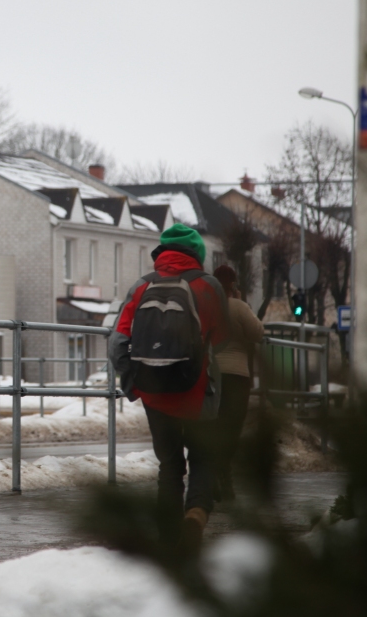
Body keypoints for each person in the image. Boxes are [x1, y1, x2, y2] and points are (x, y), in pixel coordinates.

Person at [109, 224, 228, 555]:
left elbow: (118, 341)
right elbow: (223, 337)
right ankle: (196, 515)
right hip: (198, 391)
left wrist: (133, 382)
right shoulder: (209, 286)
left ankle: (167, 539)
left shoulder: (141, 285)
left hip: (155, 392)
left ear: (162, 253)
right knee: (203, 458)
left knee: (170, 466)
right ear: (196, 255)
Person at [211, 264, 264, 502]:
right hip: (237, 376)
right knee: (232, 427)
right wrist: (244, 304)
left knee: (214, 424)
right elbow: (257, 333)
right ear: (234, 286)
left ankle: (213, 476)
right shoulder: (240, 307)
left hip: (211, 374)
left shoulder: (208, 308)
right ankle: (225, 473)